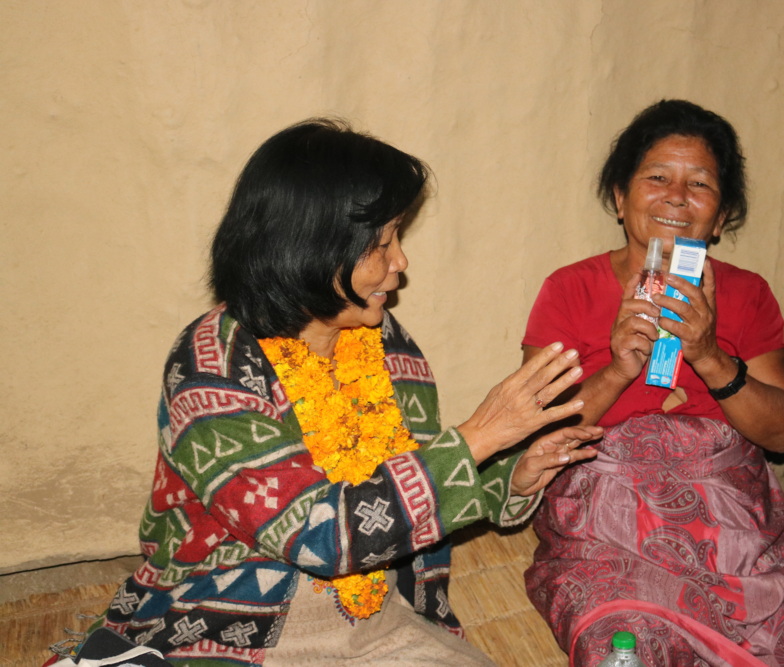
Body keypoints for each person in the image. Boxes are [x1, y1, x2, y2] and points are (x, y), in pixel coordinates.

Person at [69, 119, 601, 666]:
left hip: (380, 622)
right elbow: (318, 535)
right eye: (381, 242)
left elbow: (410, 490)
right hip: (226, 628)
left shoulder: (389, 344)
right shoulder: (211, 366)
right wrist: (477, 435)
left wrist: (513, 473)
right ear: (311, 247)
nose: (401, 261)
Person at [521, 100, 784, 666]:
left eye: (700, 184)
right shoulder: (569, 289)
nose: (676, 196)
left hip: (737, 525)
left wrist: (710, 356)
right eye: (657, 178)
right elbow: (537, 432)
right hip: (608, 527)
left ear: (720, 218)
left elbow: (781, 433)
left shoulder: (748, 294)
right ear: (621, 199)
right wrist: (621, 368)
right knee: (624, 647)